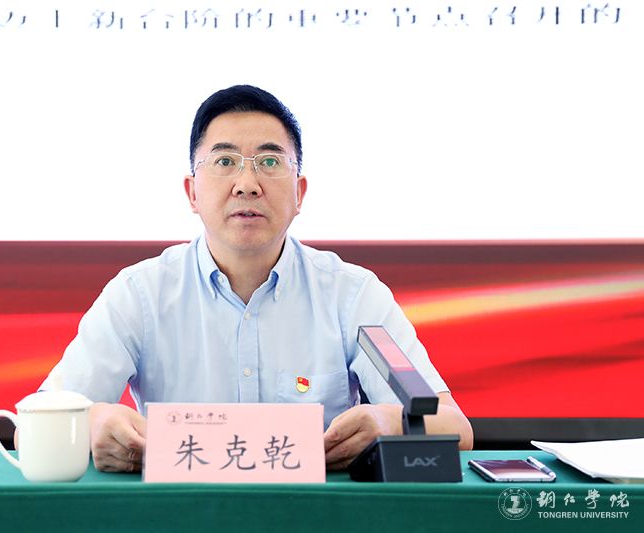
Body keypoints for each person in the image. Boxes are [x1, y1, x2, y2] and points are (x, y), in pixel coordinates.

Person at [38, 84, 473, 472]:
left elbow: (454, 426)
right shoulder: (139, 295)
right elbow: (34, 423)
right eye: (225, 161)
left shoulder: (353, 296)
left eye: (269, 161)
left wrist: (388, 421)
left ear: (299, 193)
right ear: (192, 192)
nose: (247, 183)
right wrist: (94, 420)